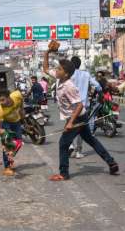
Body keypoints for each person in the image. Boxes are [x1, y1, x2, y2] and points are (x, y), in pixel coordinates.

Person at [43, 41, 119, 181]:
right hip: (80, 117)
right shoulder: (60, 79)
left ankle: (63, 173)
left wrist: (70, 122)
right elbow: (46, 69)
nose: (56, 70)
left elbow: (78, 106)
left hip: (77, 117)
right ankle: (111, 162)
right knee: (91, 140)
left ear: (65, 74)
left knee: (63, 144)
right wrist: (47, 52)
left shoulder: (68, 86)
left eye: (59, 69)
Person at [68, 56, 101, 159]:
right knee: (80, 129)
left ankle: (70, 145)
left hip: (70, 105)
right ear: (79, 64)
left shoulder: (68, 75)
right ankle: (78, 151)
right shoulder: (86, 74)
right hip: (82, 106)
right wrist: (100, 92)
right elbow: (97, 86)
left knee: (69, 126)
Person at [0, 90, 24, 176]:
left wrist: (21, 110)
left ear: (9, 97)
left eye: (3, 100)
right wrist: (1, 131)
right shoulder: (0, 109)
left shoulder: (17, 95)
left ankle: (10, 156)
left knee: (19, 143)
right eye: (0, 100)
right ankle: (7, 167)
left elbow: (21, 101)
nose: (1, 102)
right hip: (6, 123)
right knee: (8, 144)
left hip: (17, 121)